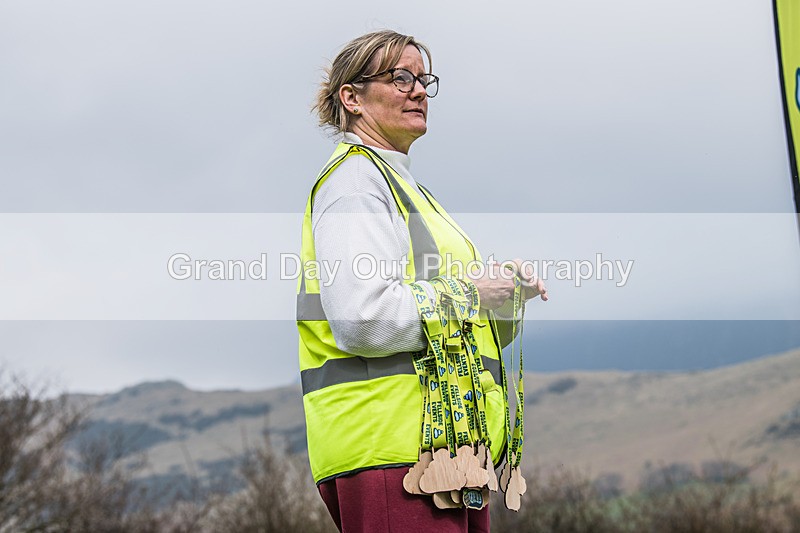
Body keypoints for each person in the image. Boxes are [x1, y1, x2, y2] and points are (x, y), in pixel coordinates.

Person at [297, 30, 547, 533]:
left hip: (447, 453)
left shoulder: (408, 190)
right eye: (400, 78)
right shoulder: (354, 183)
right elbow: (363, 319)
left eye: (423, 79)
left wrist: (502, 300)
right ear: (352, 98)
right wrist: (474, 294)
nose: (419, 91)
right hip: (393, 450)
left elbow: (457, 323)